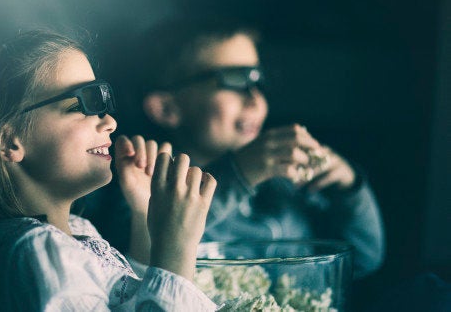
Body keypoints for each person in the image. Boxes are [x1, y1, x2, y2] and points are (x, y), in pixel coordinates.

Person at [85, 18, 385, 280]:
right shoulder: (145, 179)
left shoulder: (283, 182)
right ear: (167, 108)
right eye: (234, 79)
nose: (255, 98)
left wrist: (349, 190)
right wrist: (239, 174)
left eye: (258, 79)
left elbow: (364, 260)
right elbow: (133, 263)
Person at [0, 30, 218, 311]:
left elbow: (130, 301)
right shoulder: (38, 251)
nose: (109, 121)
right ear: (11, 140)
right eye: (83, 104)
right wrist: (176, 252)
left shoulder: (76, 230)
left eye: (102, 103)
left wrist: (144, 213)